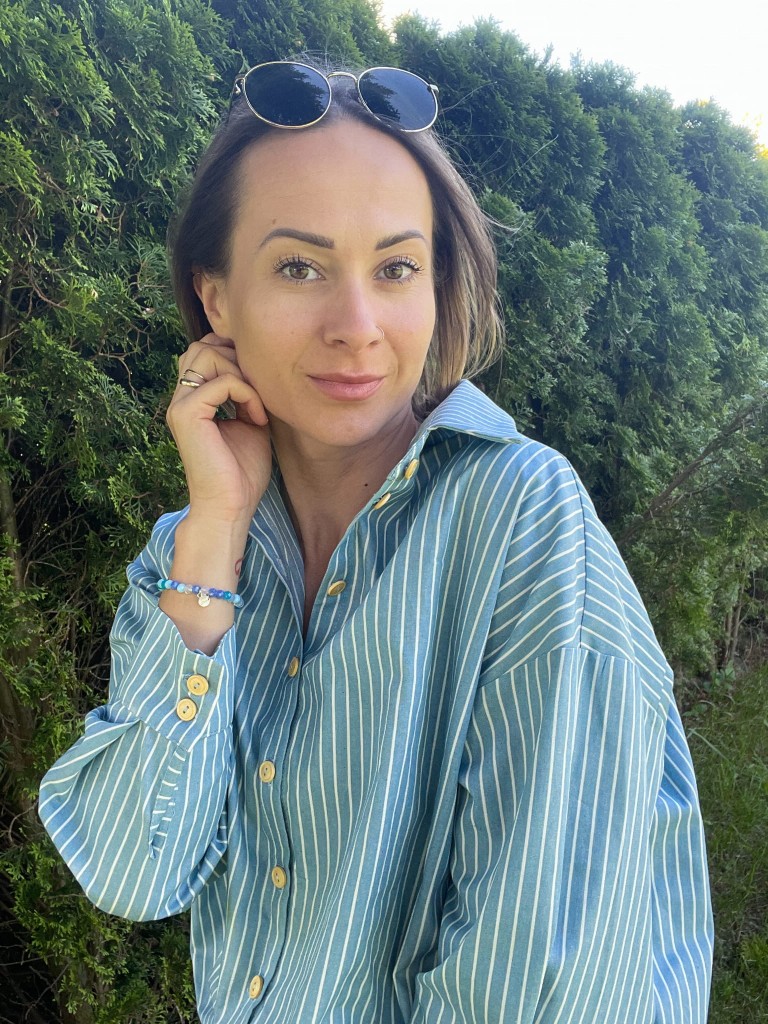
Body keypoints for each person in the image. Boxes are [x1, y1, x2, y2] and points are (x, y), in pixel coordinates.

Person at [38, 60, 713, 1023]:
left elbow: (541, 985)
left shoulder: (522, 521)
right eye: (299, 267)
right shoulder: (192, 554)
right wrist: (216, 530)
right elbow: (130, 870)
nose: (356, 328)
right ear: (216, 299)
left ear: (437, 287)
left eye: (396, 268)